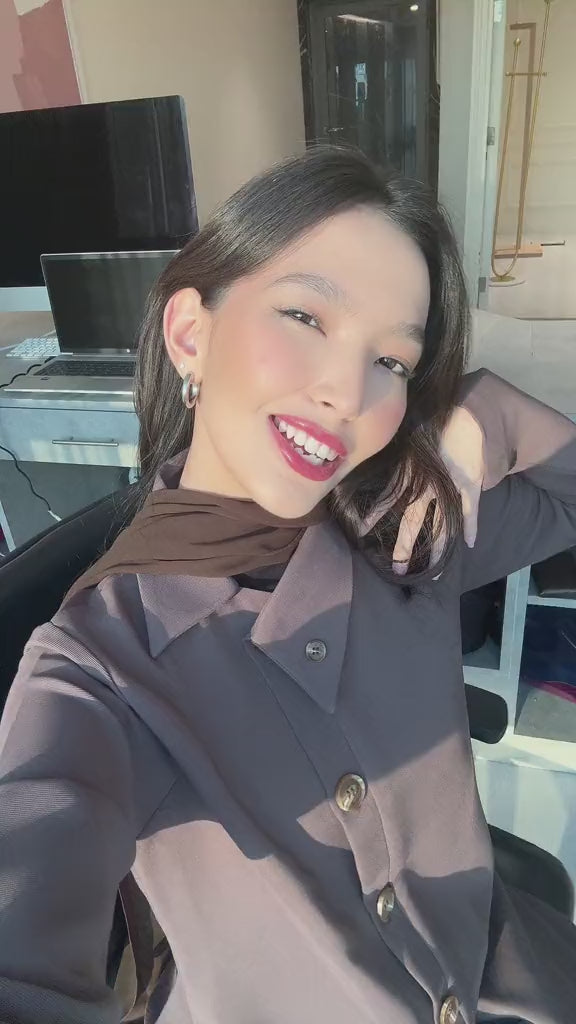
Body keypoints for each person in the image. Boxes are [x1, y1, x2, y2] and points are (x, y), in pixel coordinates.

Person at [0, 146, 575, 1024]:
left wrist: (493, 411)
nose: (347, 391)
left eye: (394, 362)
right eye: (305, 315)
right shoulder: (99, 672)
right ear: (190, 334)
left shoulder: (404, 526)